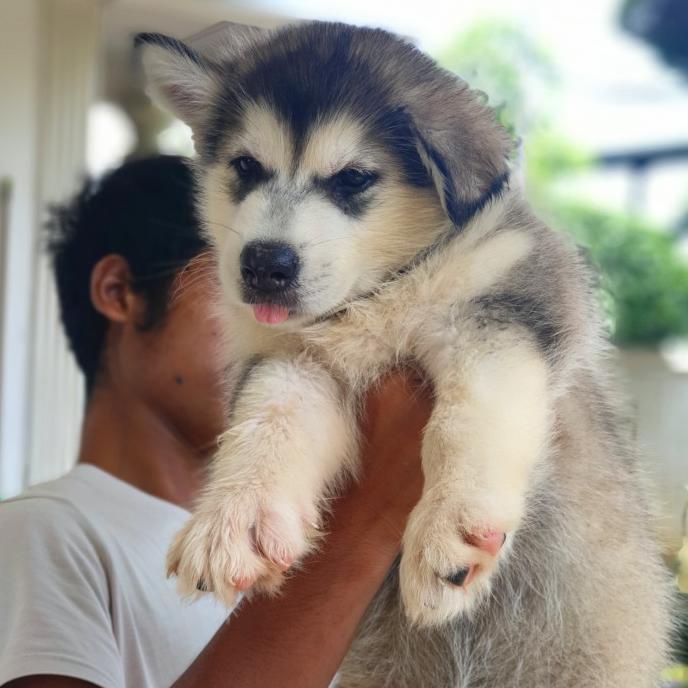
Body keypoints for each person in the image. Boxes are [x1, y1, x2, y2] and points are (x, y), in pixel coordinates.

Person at [0, 155, 431, 688]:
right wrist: (366, 518)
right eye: (246, 284)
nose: (300, 336)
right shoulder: (41, 534)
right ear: (119, 293)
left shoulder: (291, 540)